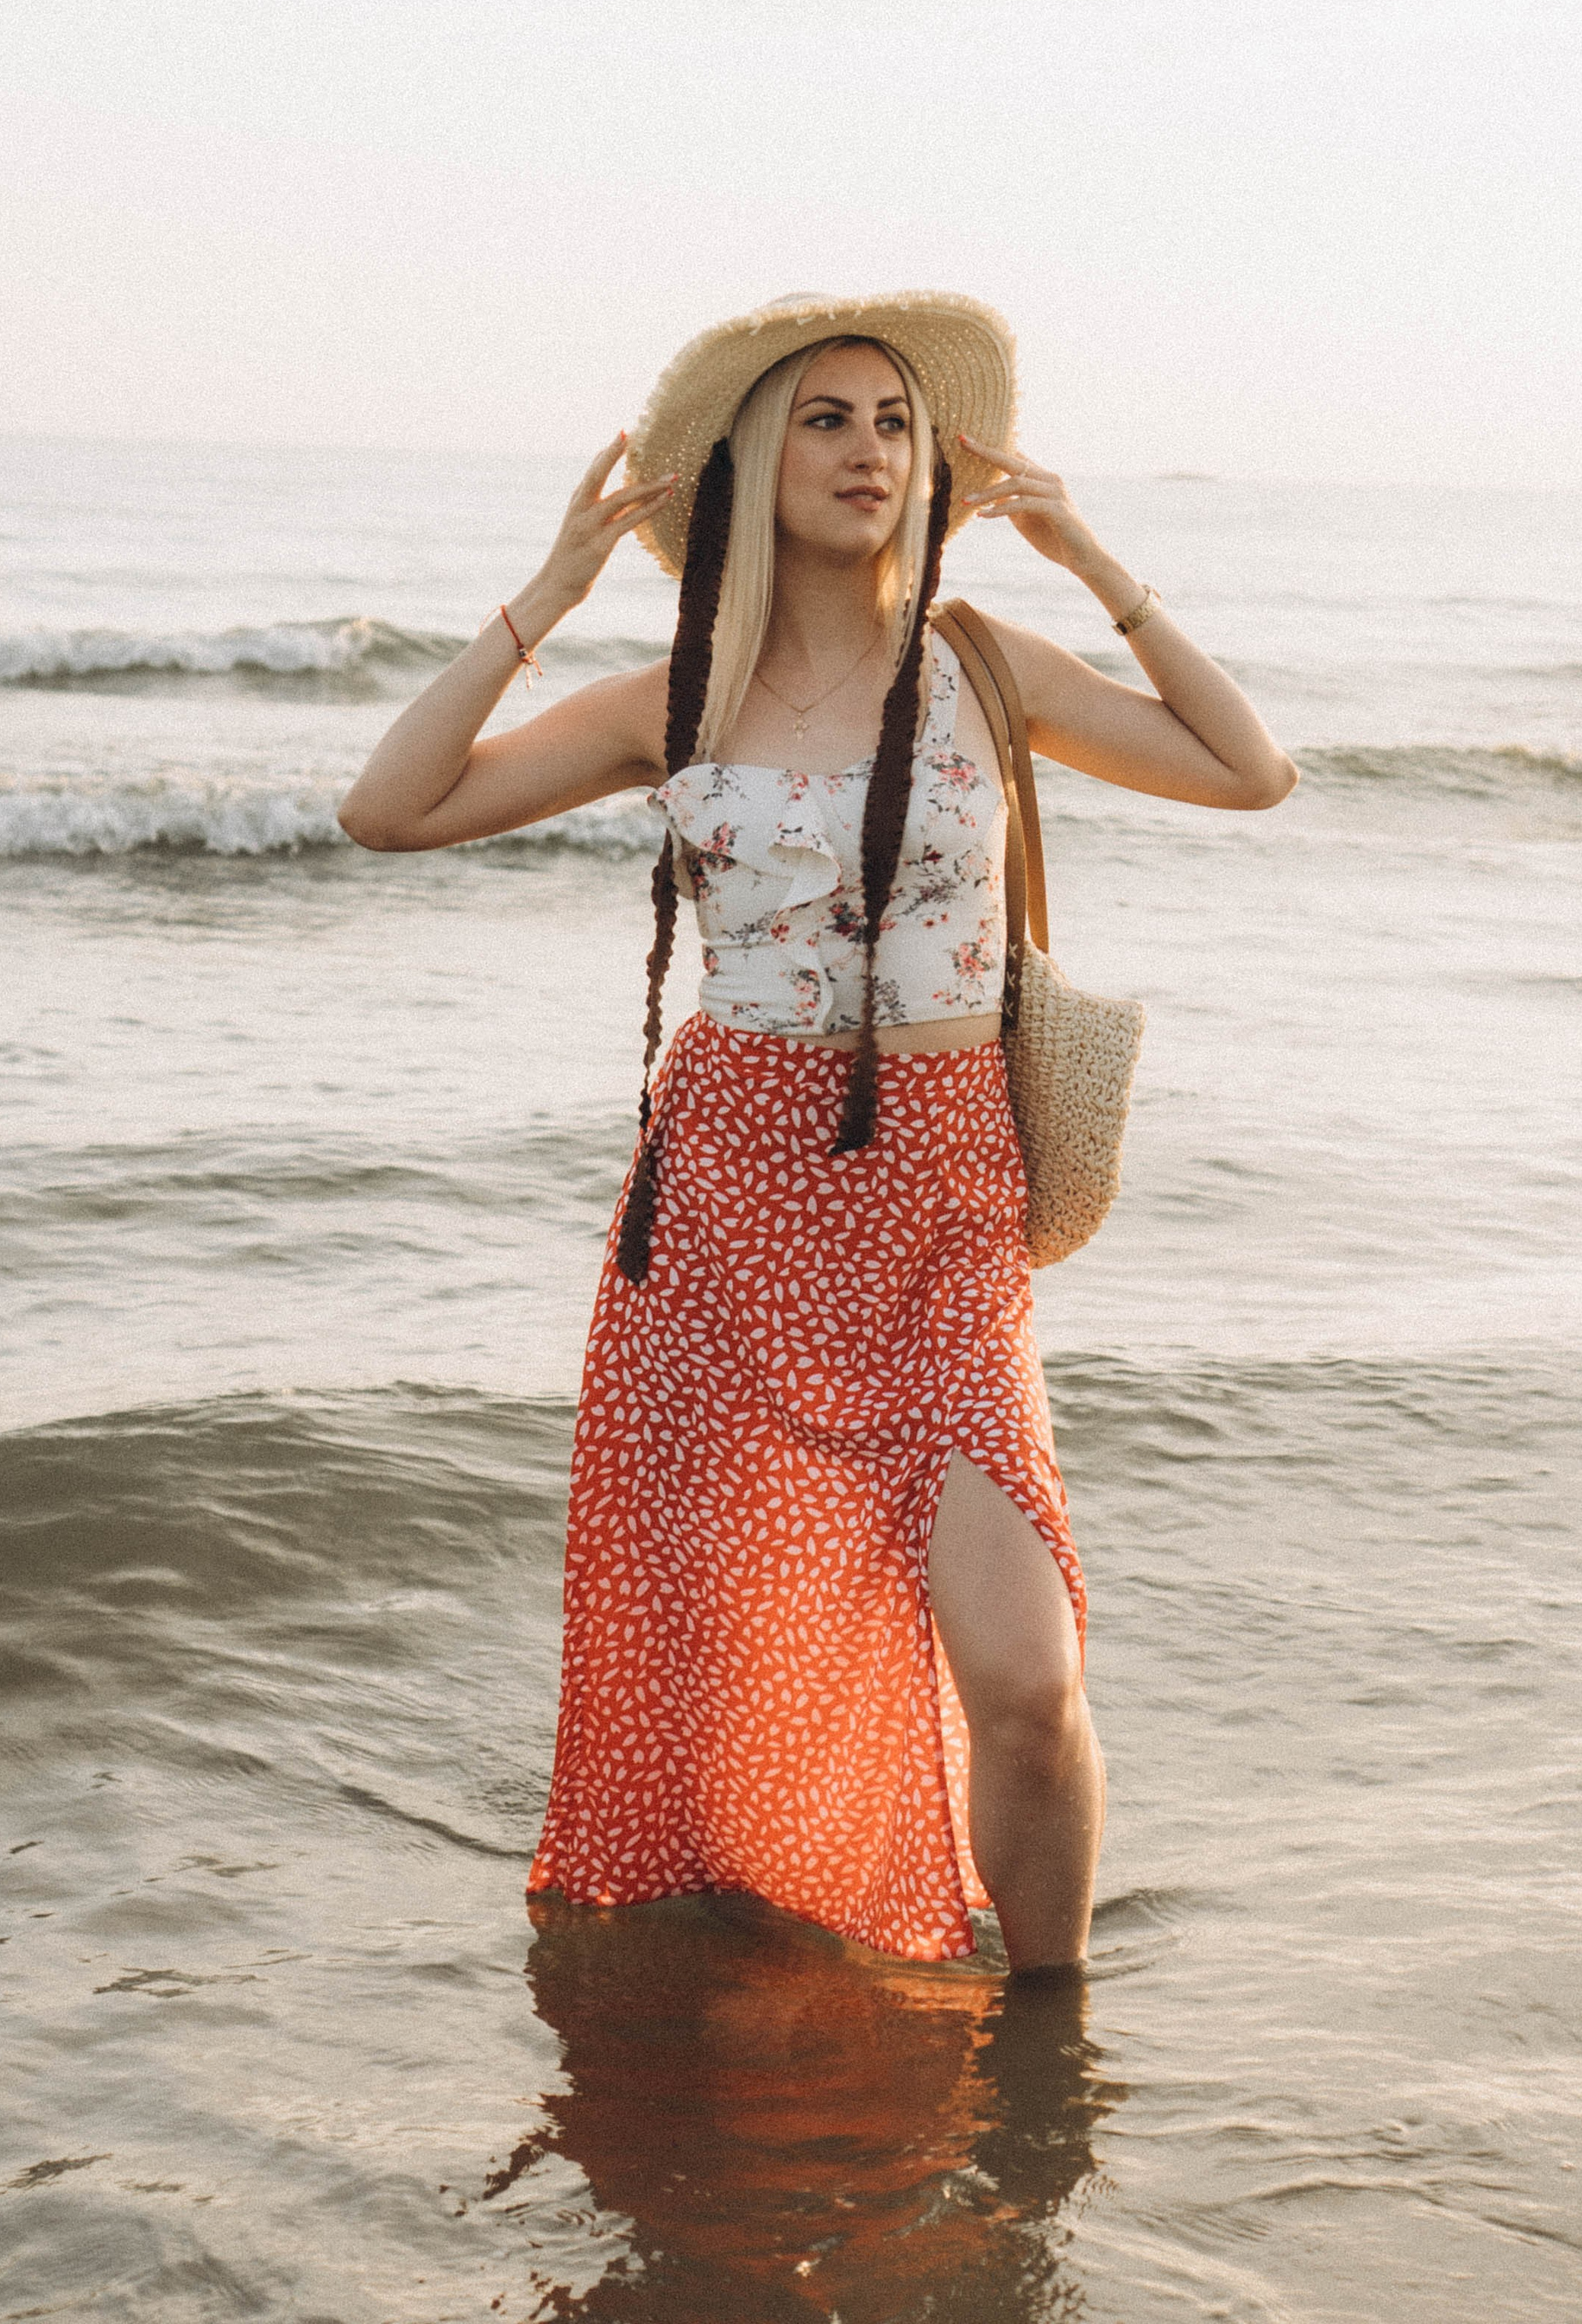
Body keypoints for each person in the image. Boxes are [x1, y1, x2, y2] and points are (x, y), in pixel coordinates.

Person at [340, 291, 1297, 1972]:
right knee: (725, 1641)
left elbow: (1247, 771)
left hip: (942, 1206)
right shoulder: (679, 695)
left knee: (1027, 1678)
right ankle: (758, 1954)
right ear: (748, 462)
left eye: (895, 424)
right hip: (728, 1202)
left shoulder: (983, 664)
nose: (870, 452)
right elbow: (388, 808)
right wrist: (548, 597)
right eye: (827, 420)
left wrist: (1090, 557)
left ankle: (1051, 2029)